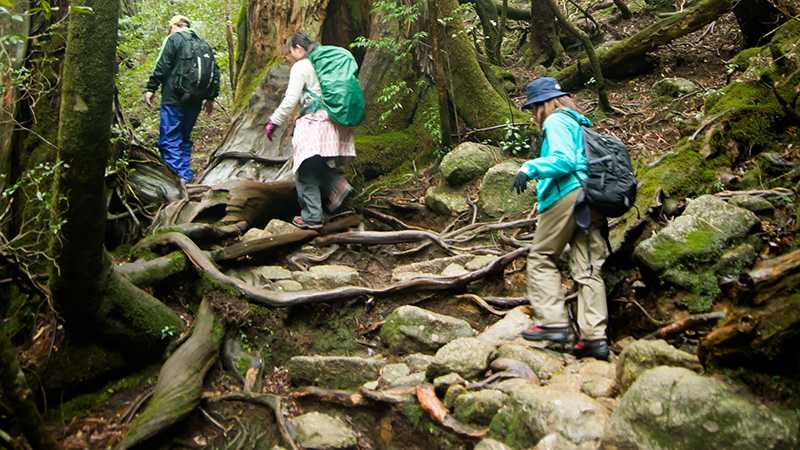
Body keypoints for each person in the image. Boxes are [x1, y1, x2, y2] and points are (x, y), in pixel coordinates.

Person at [512, 77, 610, 360]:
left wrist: (529, 168)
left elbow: (564, 160)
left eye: (534, 108)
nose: (533, 114)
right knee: (588, 266)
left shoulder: (555, 121)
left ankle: (553, 323)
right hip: (590, 197)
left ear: (544, 104)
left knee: (542, 257)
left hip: (567, 194)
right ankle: (594, 338)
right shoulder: (578, 122)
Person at [264, 32, 356, 230]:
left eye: (288, 55)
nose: (287, 60)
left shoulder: (302, 66)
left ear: (298, 48)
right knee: (315, 165)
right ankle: (338, 185)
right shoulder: (328, 62)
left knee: (305, 172)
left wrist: (274, 121)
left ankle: (312, 217)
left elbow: (290, 100)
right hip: (337, 122)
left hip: (315, 125)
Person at [144, 15, 219, 184]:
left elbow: (162, 65)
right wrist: (210, 98)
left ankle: (175, 179)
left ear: (173, 26)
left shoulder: (174, 39)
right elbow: (214, 71)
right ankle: (185, 175)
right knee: (184, 137)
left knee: (170, 138)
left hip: (173, 97)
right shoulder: (202, 43)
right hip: (196, 99)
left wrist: (151, 88)